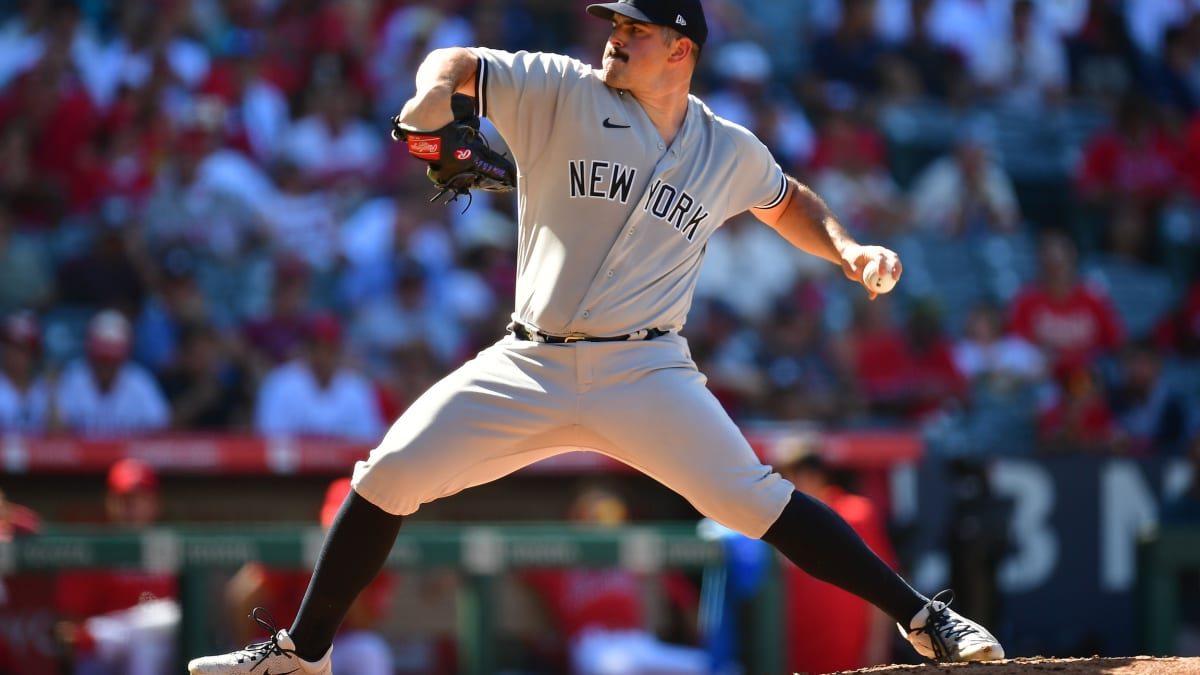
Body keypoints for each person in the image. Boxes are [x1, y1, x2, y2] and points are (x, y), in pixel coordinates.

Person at [187, 2, 1004, 673]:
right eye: (613, 22)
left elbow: (787, 200)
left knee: (759, 499)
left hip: (646, 369)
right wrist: (430, 111)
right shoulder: (562, 89)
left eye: (635, 28)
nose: (614, 35)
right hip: (530, 359)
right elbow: (453, 64)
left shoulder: (725, 147)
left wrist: (849, 247)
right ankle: (304, 652)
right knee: (386, 475)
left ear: (680, 50)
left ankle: (925, 618)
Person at [518, 485, 708, 674]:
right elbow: (514, 567)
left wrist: (704, 637)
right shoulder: (561, 564)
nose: (600, 526)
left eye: (609, 516)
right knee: (617, 669)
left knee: (706, 666)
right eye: (591, 518)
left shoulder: (632, 558)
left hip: (637, 641)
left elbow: (687, 600)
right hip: (593, 644)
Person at [224, 479, 398, 675]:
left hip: (335, 647)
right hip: (283, 646)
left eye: (357, 530)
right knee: (257, 654)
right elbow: (241, 597)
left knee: (369, 650)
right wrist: (246, 652)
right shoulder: (297, 551)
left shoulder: (374, 556)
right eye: (340, 527)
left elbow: (364, 624)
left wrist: (347, 573)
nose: (347, 537)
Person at [777, 440, 899, 674]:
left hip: (849, 652)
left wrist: (876, 650)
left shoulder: (856, 514)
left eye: (796, 474)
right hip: (797, 653)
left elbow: (883, 583)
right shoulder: (777, 522)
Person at [54, 459, 180, 675]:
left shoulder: (171, 547)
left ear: (155, 503)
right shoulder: (93, 550)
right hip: (103, 653)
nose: (132, 507)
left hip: (159, 649)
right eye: (124, 499)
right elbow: (67, 628)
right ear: (109, 502)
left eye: (140, 499)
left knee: (157, 628)